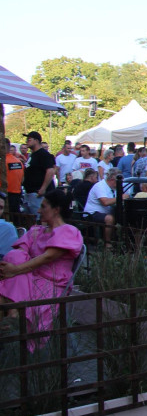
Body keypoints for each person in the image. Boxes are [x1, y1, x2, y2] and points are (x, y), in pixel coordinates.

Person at [0, 189, 82, 346]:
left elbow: (48, 257)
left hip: (50, 283)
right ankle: (10, 322)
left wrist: (15, 270)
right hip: (27, 276)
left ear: (56, 209)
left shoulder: (68, 231)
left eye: (43, 206)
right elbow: (20, 253)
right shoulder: (36, 231)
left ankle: (12, 319)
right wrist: (14, 267)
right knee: (15, 257)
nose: (38, 210)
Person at [83, 168, 125, 246]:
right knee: (110, 218)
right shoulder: (100, 186)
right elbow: (105, 202)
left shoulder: (114, 188)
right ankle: (107, 243)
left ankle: (119, 241)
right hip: (92, 213)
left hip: (105, 212)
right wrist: (120, 197)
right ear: (113, 179)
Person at [22, 132, 56, 217]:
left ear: (36, 141)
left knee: (40, 219)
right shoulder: (32, 155)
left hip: (38, 194)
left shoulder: (43, 154)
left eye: (29, 139)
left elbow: (50, 171)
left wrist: (43, 188)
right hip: (30, 193)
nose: (27, 141)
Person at [5, 139, 25, 216]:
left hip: (5, 196)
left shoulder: (3, 161)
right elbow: (22, 180)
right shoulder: (18, 162)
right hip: (17, 195)